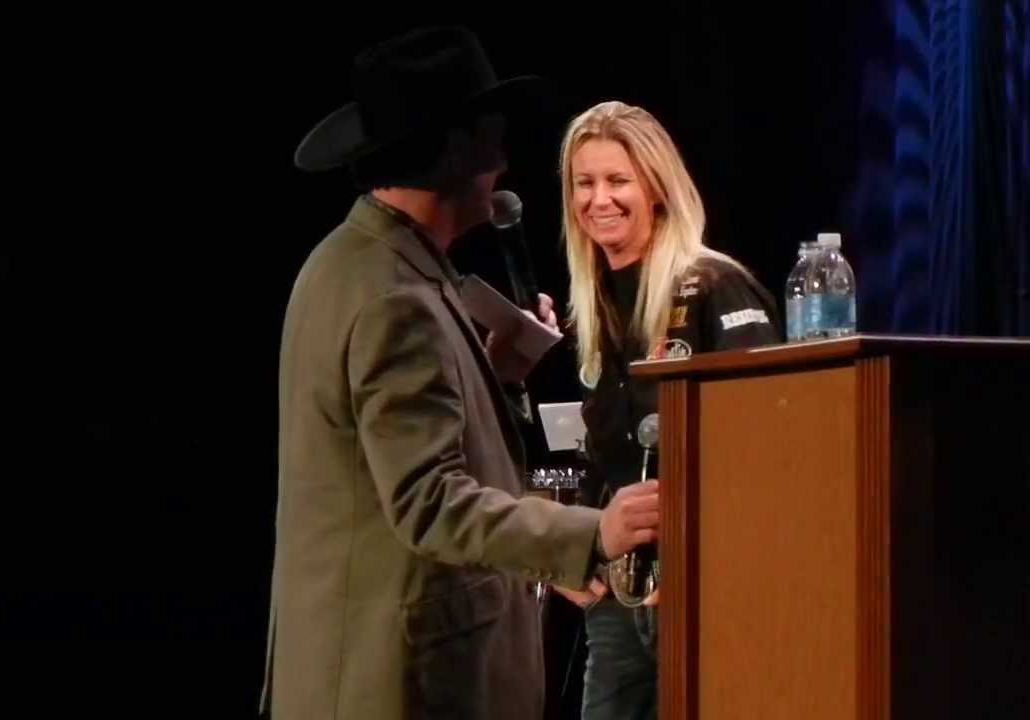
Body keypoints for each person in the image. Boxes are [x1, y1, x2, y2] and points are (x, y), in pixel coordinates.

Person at [261, 28, 661, 720]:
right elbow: (429, 500)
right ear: (452, 150)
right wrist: (593, 534)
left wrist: (500, 375)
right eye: (491, 137)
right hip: (400, 680)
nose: (504, 161)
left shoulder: (368, 262)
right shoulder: (393, 297)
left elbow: (398, 452)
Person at [551, 100, 782, 719]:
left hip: (709, 590)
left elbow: (768, 444)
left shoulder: (711, 284)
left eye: (617, 180)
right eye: (585, 183)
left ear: (656, 187)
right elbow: (604, 453)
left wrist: (704, 558)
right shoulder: (596, 305)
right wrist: (570, 552)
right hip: (621, 597)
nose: (600, 199)